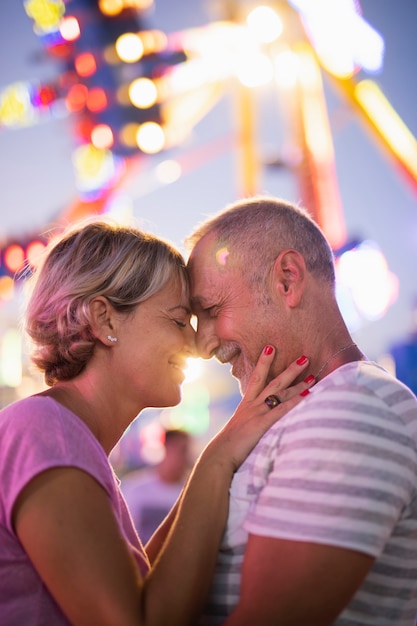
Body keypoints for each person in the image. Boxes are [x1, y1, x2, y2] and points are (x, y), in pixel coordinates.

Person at [0, 220, 314, 626]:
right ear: (105, 320)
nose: (197, 346)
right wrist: (218, 457)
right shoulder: (45, 432)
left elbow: (142, 583)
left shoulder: (62, 435)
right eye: (179, 321)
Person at [186, 195, 417, 626]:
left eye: (213, 311)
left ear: (288, 280)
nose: (203, 345)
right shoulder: (305, 413)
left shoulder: (353, 411)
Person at [121, 428, 192, 543]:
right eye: (182, 450)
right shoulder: (134, 488)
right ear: (166, 448)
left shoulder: (192, 493)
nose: (186, 457)